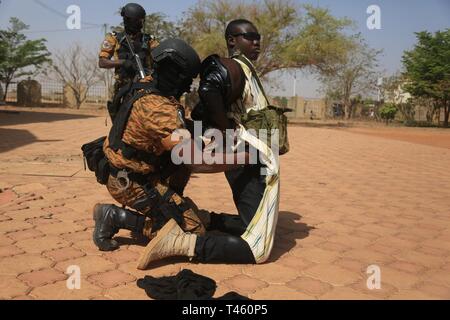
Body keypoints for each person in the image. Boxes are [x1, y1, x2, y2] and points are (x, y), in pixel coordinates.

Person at [136, 19, 282, 269]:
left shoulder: (244, 68)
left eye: (258, 37)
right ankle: (182, 243)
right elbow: (209, 87)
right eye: (249, 36)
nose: (256, 42)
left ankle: (203, 218)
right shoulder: (234, 65)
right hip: (250, 156)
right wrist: (227, 131)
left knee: (252, 223)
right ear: (232, 41)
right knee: (258, 248)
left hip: (251, 153)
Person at [92, 38, 250, 254]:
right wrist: (243, 159)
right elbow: (195, 161)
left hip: (138, 169)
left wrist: (216, 130)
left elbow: (180, 128)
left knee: (185, 161)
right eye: (186, 79)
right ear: (172, 74)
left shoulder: (149, 85)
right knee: (191, 233)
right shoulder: (158, 107)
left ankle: (167, 205)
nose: (188, 86)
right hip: (130, 182)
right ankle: (113, 217)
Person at [98, 3, 158, 100]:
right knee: (119, 112)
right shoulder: (114, 38)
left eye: (142, 21)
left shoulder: (149, 40)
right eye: (137, 21)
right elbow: (102, 62)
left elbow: (160, 56)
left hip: (146, 86)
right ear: (128, 21)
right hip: (123, 87)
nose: (141, 24)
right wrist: (123, 62)